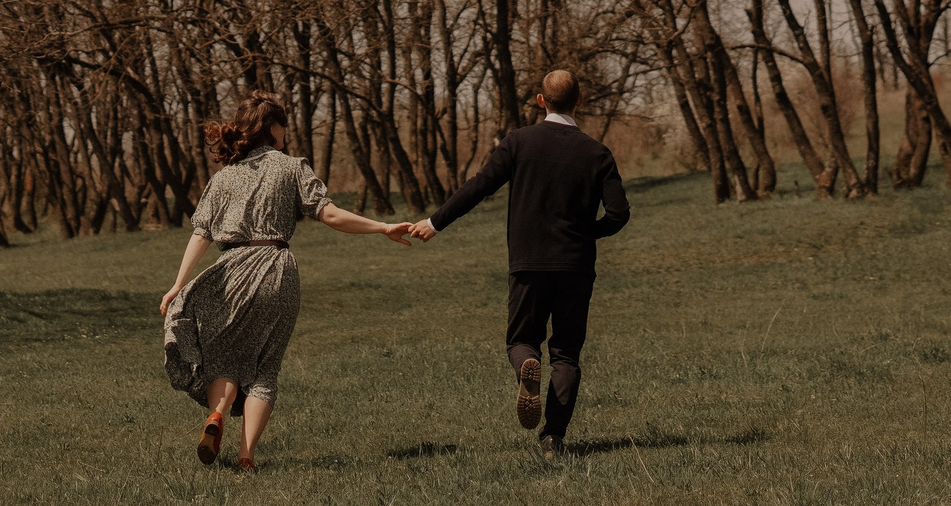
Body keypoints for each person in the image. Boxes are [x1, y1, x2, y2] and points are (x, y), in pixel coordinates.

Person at [160, 91, 413, 471]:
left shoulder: (224, 177)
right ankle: (246, 458)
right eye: (283, 125)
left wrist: (178, 284)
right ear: (272, 128)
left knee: (225, 358)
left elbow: (201, 234)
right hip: (277, 269)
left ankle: (217, 415)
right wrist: (383, 227)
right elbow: (329, 214)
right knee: (264, 367)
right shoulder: (293, 166)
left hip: (231, 271)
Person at [407, 68, 629, 459]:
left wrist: (434, 221)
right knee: (566, 353)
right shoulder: (597, 153)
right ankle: (553, 439)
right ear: (579, 101)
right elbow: (618, 213)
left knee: (521, 340)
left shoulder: (519, 142)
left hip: (528, 263)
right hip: (575, 267)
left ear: (541, 101)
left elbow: (479, 186)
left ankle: (527, 363)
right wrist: (585, 233)